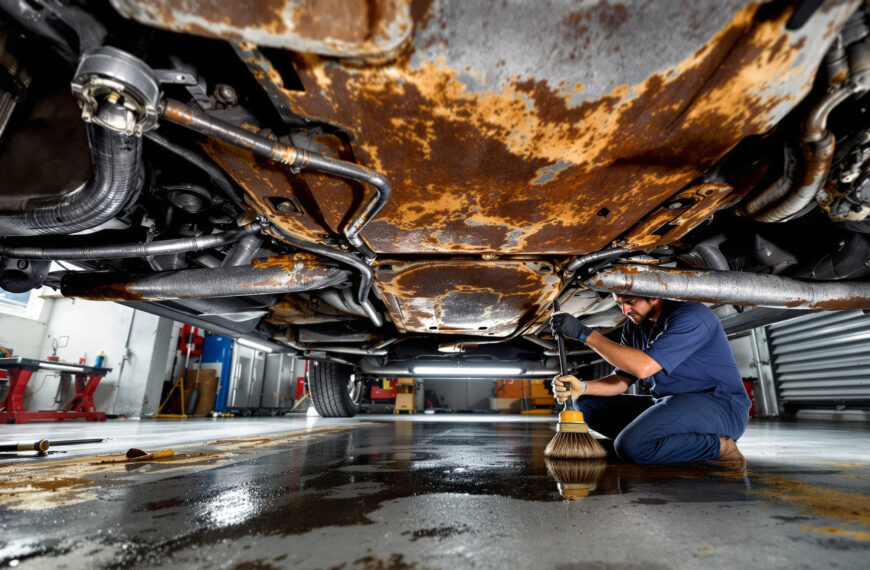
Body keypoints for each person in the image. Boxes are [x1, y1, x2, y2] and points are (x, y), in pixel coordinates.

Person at [549, 294, 750, 464]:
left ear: (652, 295)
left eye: (630, 302)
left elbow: (643, 367)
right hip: (670, 403)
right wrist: (583, 387)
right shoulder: (634, 327)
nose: (625, 310)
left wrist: (584, 334)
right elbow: (622, 379)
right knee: (586, 404)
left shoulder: (692, 316)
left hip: (719, 407)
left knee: (631, 447)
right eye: (619, 303)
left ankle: (722, 448)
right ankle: (636, 444)